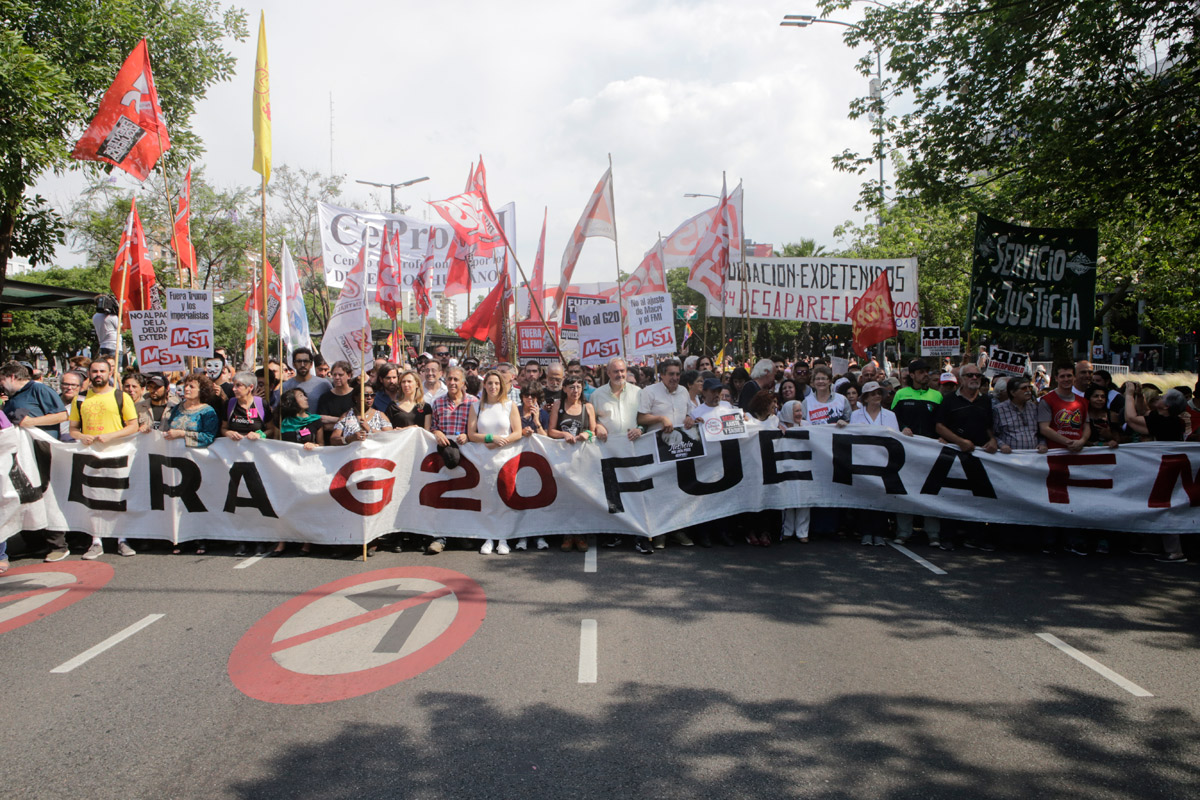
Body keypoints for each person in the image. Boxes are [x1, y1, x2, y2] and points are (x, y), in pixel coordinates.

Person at [69, 359, 139, 559]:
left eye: (102, 371)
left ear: (110, 373)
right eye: (94, 371)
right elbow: (73, 429)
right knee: (92, 498)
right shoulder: (80, 399)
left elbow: (132, 425)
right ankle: (96, 541)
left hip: (118, 453)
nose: (98, 374)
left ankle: (122, 539)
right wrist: (82, 436)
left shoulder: (121, 396)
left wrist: (111, 436)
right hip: (91, 456)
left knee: (119, 497)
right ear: (89, 374)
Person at [935, 364, 1001, 551]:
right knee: (952, 495)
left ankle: (976, 536)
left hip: (979, 456)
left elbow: (989, 426)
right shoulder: (949, 400)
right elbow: (939, 426)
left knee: (979, 497)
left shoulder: (986, 401)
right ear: (962, 379)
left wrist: (993, 440)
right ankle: (948, 536)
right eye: (970, 375)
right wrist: (960, 441)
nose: (975, 378)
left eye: (978, 375)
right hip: (954, 455)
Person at [1123, 383, 1189, 562]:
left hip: (1165, 469)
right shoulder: (1171, 420)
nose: (1158, 399)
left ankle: (1175, 551)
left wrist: (1128, 394)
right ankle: (1152, 545)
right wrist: (1139, 396)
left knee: (1164, 506)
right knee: (1154, 505)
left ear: (1166, 406)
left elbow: (1131, 418)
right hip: (1166, 467)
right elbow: (1145, 413)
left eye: (1162, 398)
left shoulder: (1163, 422)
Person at [637, 358, 694, 548]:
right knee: (660, 492)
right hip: (657, 449)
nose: (675, 378)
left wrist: (689, 418)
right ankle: (660, 533)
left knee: (678, 492)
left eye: (678, 374)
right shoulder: (649, 392)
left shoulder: (684, 391)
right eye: (671, 374)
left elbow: (691, 413)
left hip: (680, 449)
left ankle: (677, 530)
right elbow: (640, 417)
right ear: (661, 375)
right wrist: (661, 418)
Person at [162, 374, 221, 554]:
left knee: (196, 500)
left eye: (191, 387)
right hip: (175, 462)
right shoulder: (176, 409)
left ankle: (200, 538)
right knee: (177, 502)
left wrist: (182, 435)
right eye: (186, 386)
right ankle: (179, 538)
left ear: (201, 391)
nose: (187, 389)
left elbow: (208, 437)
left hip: (198, 463)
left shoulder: (207, 412)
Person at [468, 370, 523, 555]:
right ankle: (488, 537)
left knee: (505, 497)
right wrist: (490, 438)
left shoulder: (509, 405)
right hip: (483, 458)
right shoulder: (476, 406)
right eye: (490, 383)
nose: (493, 387)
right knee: (487, 498)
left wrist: (503, 440)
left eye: (497, 384)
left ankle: (503, 538)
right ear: (484, 385)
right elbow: (472, 434)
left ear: (502, 386)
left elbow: (518, 432)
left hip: (505, 457)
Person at [891, 359, 944, 548]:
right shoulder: (901, 394)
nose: (925, 375)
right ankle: (903, 531)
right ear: (911, 375)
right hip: (907, 452)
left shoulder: (937, 396)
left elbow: (942, 422)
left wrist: (942, 436)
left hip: (931, 452)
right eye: (921, 372)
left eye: (926, 371)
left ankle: (933, 533)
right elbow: (892, 419)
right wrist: (903, 427)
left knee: (931, 491)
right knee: (905, 490)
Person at [428, 366, 478, 554]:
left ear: (464, 383)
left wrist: (468, 435)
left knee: (465, 497)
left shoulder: (474, 402)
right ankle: (440, 537)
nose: (452, 383)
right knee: (443, 496)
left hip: (469, 459)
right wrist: (437, 432)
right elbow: (432, 427)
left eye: (457, 379)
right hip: (445, 458)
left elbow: (479, 429)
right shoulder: (438, 402)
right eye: (450, 379)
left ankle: (463, 535)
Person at [549, 375, 598, 552]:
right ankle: (568, 534)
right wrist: (563, 435)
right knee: (566, 497)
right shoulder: (558, 405)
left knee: (582, 497)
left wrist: (587, 434)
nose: (575, 391)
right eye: (571, 387)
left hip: (583, 460)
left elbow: (594, 431)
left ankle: (581, 534)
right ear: (564, 389)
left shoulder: (588, 407)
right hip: (562, 459)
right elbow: (551, 431)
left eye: (578, 387)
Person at [849, 381, 898, 545]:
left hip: (883, 462)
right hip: (863, 461)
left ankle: (879, 532)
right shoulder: (856, 415)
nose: (876, 396)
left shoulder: (890, 416)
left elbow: (896, 439)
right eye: (872, 394)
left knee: (881, 498)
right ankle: (866, 532)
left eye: (878, 393)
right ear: (866, 398)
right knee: (864, 498)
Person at [1038, 363, 1090, 452]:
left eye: (1069, 376)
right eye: (1062, 376)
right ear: (1056, 378)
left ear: (1075, 377)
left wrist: (1082, 441)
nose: (1066, 379)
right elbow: (1044, 428)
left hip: (1078, 452)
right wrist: (1068, 442)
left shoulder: (1083, 401)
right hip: (1055, 453)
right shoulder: (1047, 400)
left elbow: (1087, 426)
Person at [591, 358, 642, 445]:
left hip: (634, 446)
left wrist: (640, 430)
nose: (620, 374)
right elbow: (591, 419)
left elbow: (643, 417)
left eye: (622, 371)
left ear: (626, 372)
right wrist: (597, 426)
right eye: (616, 371)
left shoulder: (638, 392)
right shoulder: (597, 395)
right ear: (608, 373)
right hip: (607, 447)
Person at [282, 347, 333, 413]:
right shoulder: (285, 386)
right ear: (293, 365)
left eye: (306, 361)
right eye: (299, 361)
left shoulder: (324, 384)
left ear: (311, 364)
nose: (302, 365)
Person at [317, 361, 358, 433]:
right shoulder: (325, 398)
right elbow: (324, 423)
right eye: (334, 374)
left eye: (340, 375)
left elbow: (358, 422)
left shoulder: (357, 396)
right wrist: (347, 421)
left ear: (349, 375)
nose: (337, 377)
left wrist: (332, 420)